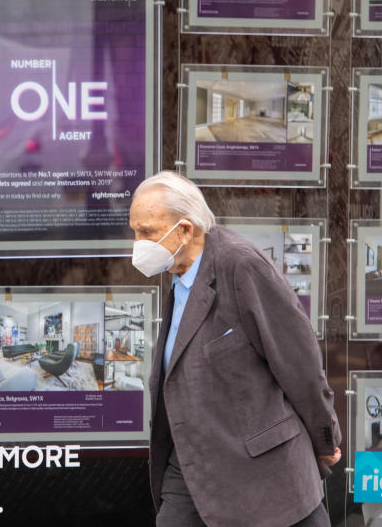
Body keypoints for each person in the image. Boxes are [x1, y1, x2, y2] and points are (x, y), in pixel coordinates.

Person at [128, 171, 341, 527]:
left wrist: (325, 438)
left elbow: (299, 362)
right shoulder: (181, 274)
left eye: (146, 232)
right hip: (191, 466)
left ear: (184, 229)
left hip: (263, 476)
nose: (138, 243)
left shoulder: (240, 266)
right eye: (135, 231)